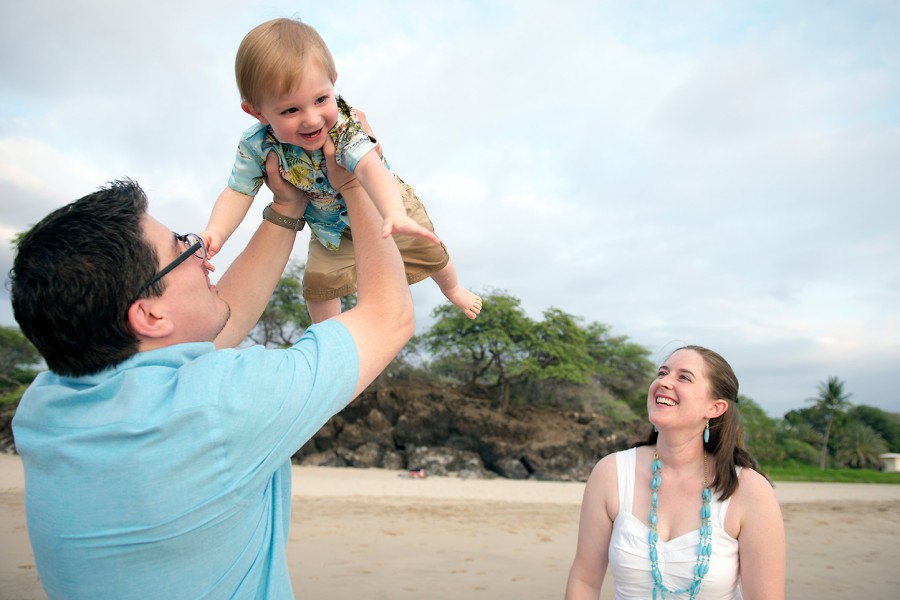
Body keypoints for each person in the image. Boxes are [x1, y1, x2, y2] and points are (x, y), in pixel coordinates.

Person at [9, 145, 414, 599]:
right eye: (180, 247)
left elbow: (219, 320)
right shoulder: (217, 408)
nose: (199, 248)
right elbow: (388, 317)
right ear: (150, 317)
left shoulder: (44, 408)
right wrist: (355, 181)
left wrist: (287, 205)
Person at [201, 17, 482, 323]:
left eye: (321, 99)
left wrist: (393, 212)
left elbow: (369, 166)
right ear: (257, 111)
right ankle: (328, 334)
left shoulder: (345, 124)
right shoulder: (257, 145)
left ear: (333, 81)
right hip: (328, 229)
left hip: (381, 205)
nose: (311, 119)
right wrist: (215, 232)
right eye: (291, 110)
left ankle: (453, 289)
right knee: (318, 286)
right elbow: (237, 191)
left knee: (431, 252)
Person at [565, 345, 785, 600]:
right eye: (662, 373)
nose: (663, 382)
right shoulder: (611, 473)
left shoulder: (749, 489)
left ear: (715, 408)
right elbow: (584, 581)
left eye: (684, 377)